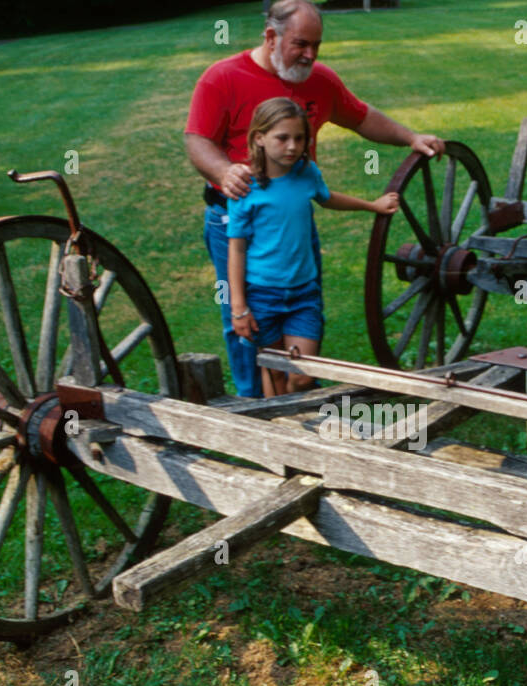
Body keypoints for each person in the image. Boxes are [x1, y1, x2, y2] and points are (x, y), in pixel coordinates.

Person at [184, 0, 444, 397]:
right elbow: (197, 139)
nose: (310, 55)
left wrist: (410, 137)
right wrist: (223, 171)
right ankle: (255, 409)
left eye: (316, 46)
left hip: (293, 221)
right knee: (245, 318)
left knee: (300, 307)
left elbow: (360, 115)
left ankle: (301, 398)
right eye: (300, 44)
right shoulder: (222, 78)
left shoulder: (320, 80)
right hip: (234, 220)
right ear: (271, 37)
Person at [228, 98, 398, 397]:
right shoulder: (245, 188)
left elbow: (327, 197)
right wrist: (239, 307)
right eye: (282, 138)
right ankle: (281, 434)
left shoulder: (306, 173)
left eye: (299, 138)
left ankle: (293, 419)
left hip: (303, 293)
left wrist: (372, 206)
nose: (292, 146)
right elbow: (237, 250)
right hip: (263, 293)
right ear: (259, 138)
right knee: (275, 374)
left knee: (303, 375)